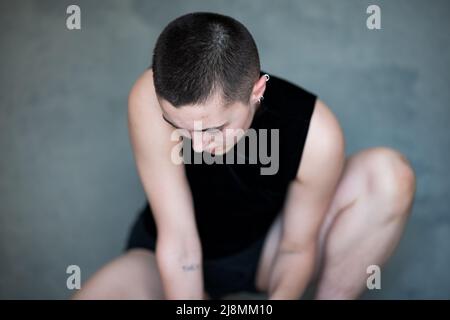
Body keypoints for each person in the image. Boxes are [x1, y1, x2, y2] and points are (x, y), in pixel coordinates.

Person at [73, 12, 416, 300]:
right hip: (166, 254)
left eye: (214, 129)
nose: (196, 146)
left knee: (388, 176)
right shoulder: (147, 98)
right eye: (178, 127)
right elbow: (178, 241)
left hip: (267, 251)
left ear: (257, 91)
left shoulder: (316, 134)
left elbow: (295, 249)